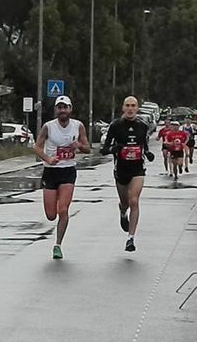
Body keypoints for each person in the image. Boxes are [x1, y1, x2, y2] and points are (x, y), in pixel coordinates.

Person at [34, 95, 90, 259]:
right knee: (51, 215)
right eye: (60, 107)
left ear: (70, 110)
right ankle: (56, 202)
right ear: (56, 110)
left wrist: (79, 145)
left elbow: (88, 148)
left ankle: (58, 244)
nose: (63, 110)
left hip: (68, 170)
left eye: (65, 107)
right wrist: (48, 159)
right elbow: (37, 147)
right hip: (51, 171)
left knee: (63, 210)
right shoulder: (48, 127)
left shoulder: (78, 126)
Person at [100, 96, 155, 252]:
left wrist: (148, 154)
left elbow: (144, 145)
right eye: (127, 106)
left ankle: (130, 238)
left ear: (137, 108)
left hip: (137, 169)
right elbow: (104, 149)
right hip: (121, 170)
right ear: (123, 108)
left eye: (133, 106)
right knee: (125, 202)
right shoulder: (116, 125)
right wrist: (114, 149)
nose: (130, 109)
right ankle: (122, 212)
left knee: (134, 201)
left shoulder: (143, 125)